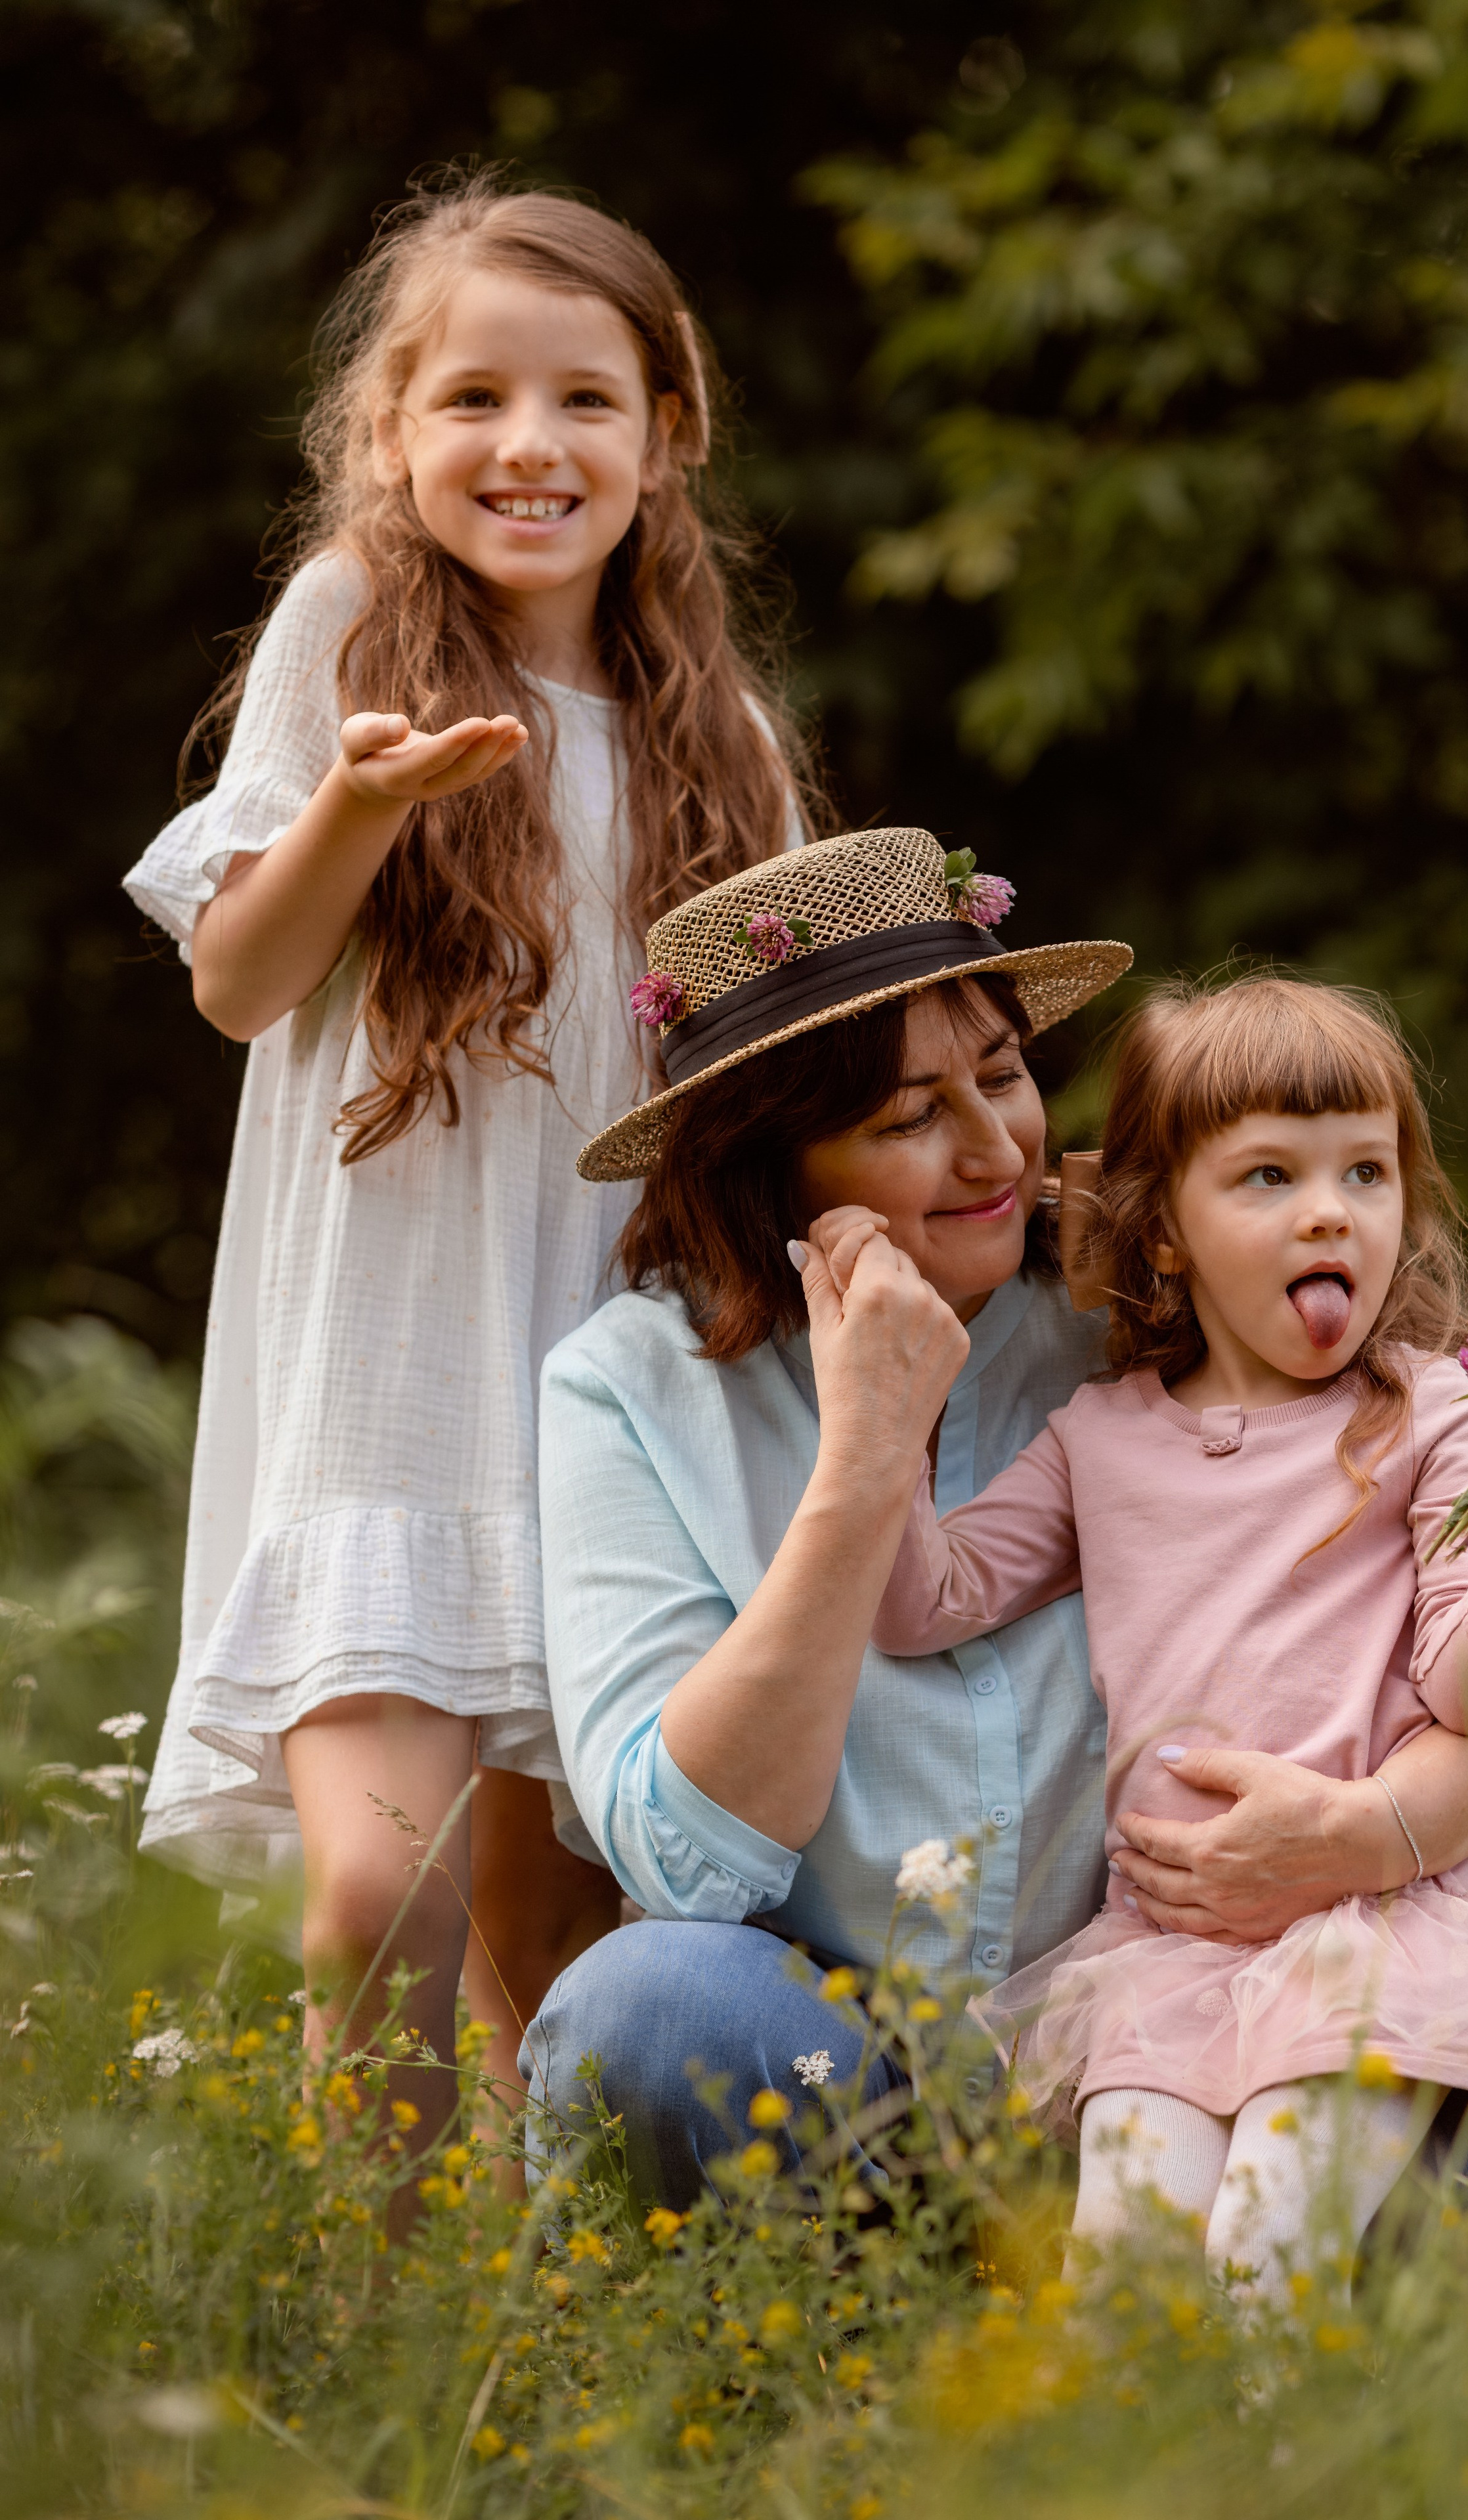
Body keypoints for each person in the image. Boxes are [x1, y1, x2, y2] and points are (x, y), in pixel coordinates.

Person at [525, 828, 1468, 2234]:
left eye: (1000, 1075)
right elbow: (687, 1864)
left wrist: (1379, 1830)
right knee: (647, 2012)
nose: (992, 1145)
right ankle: (881, 2316)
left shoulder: (1167, 1290)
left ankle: (1230, 2351)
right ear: (769, 1162)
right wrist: (864, 1451)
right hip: (841, 2075)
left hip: (1216, 2031)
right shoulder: (628, 1388)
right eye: (905, 1119)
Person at [119, 176, 811, 2169]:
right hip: (394, 1379)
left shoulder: (729, 739)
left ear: (668, 434)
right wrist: (355, 799)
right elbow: (243, 985)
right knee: (381, 1907)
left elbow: (757, 1094)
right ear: (392, 433)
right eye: (477, 399)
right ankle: (374, 2368)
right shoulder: (351, 632)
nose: (531, 444)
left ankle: (535, 2383)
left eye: (587, 399)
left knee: (556, 1955)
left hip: (618, 1389)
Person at [871, 974, 1468, 2305]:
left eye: (1364, 1169)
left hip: (1371, 1941)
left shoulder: (1432, 1413)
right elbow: (926, 1596)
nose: (1326, 1207)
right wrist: (886, 1417)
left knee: (1265, 2266)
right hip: (1165, 1952)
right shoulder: (1100, 1435)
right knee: (1119, 2288)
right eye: (1264, 1176)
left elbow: (1466, 1691)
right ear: (1167, 1231)